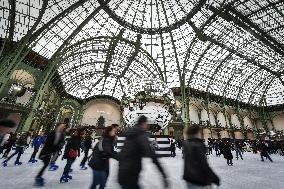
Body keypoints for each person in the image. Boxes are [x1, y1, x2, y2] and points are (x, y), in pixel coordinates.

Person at [118, 115, 169, 189]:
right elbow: (152, 154)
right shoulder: (141, 135)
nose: (147, 125)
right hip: (130, 174)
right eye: (146, 123)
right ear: (143, 123)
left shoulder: (130, 134)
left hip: (123, 172)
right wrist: (163, 174)